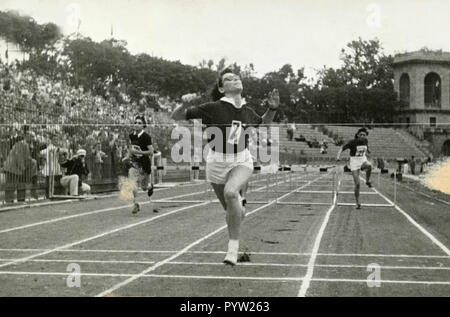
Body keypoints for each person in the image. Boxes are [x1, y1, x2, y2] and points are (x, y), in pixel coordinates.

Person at [171, 68, 279, 265]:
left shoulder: (247, 111)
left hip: (241, 159)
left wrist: (272, 109)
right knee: (233, 211)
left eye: (237, 77)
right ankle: (240, 208)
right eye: (229, 79)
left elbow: (262, 124)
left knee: (231, 194)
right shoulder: (213, 107)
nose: (235, 79)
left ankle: (232, 250)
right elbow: (176, 117)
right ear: (221, 88)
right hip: (216, 162)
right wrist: (183, 104)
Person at [124, 115, 158, 214]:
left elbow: (151, 152)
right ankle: (136, 204)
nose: (137, 125)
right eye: (135, 122)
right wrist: (128, 155)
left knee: (143, 187)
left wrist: (140, 152)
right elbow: (131, 148)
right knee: (132, 181)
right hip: (135, 162)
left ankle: (149, 187)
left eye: (139, 123)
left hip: (144, 164)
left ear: (143, 125)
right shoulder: (131, 135)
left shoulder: (146, 137)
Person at [336, 127, 372, 209]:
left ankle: (367, 181)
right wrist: (338, 156)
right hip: (354, 162)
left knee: (369, 166)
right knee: (357, 184)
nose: (362, 136)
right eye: (361, 134)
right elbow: (342, 148)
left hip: (362, 159)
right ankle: (357, 202)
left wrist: (368, 151)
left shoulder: (365, 141)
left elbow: (367, 146)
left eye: (364, 135)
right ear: (357, 135)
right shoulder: (352, 142)